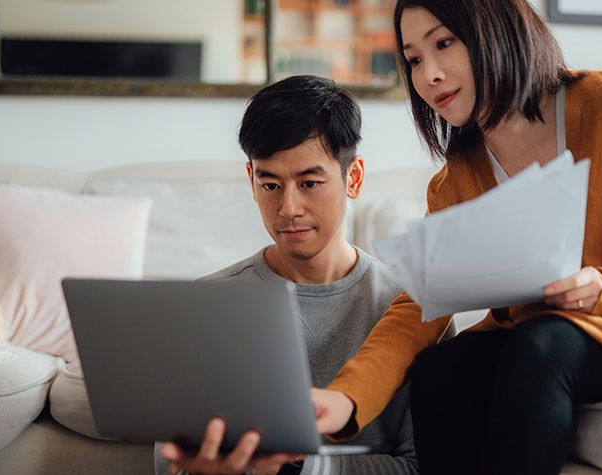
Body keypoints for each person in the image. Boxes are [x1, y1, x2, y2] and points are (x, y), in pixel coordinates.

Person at [310, 1, 602, 474]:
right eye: (415, 59)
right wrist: (347, 397)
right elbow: (420, 306)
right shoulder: (456, 181)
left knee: (543, 344)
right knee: (442, 371)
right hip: (559, 329)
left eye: (444, 43)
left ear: (496, 30)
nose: (430, 75)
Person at [156, 74, 420, 475]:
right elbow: (166, 463)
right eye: (270, 184)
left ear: (353, 178)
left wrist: (293, 470)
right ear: (251, 181)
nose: (288, 208)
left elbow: (422, 466)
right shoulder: (209, 301)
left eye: (309, 182)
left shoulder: (409, 308)